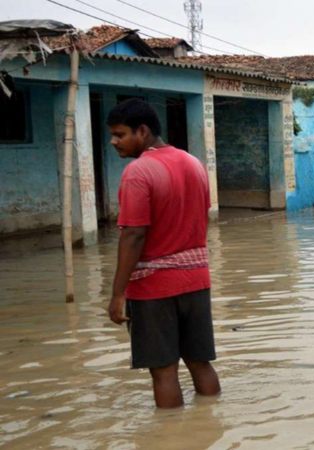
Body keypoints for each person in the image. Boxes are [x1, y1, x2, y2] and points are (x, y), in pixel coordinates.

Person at [106, 98, 220, 408]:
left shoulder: (138, 172)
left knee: (164, 372)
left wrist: (118, 294)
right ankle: (209, 424)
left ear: (141, 131)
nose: (114, 142)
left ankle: (169, 438)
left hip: (154, 288)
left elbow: (133, 234)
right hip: (196, 279)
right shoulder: (193, 163)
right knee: (200, 362)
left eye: (119, 134)